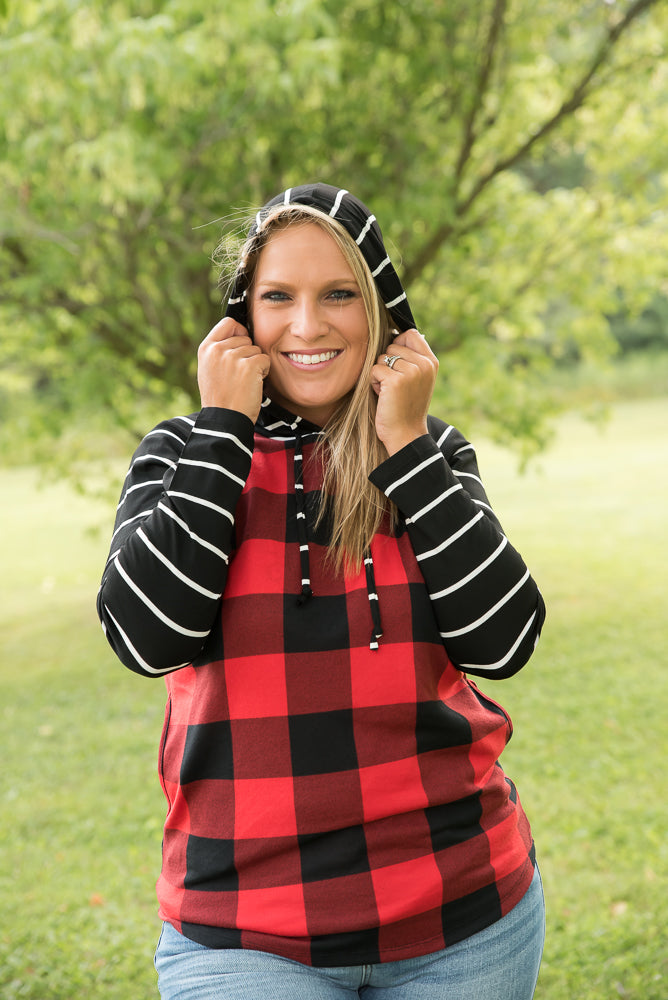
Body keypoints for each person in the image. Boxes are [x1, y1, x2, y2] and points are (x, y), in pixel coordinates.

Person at [97, 183, 547, 999]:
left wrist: (404, 441)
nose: (307, 326)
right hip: (244, 930)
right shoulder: (180, 453)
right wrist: (224, 432)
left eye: (339, 293)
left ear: (380, 312)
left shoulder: (430, 454)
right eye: (279, 298)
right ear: (242, 317)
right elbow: (145, 638)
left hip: (464, 917)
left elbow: (505, 642)